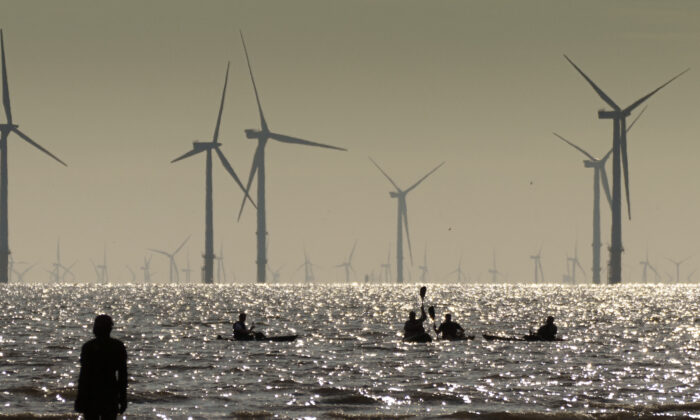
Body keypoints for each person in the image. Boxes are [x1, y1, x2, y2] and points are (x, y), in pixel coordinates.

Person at [75, 314, 127, 420]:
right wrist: (123, 397)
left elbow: (84, 375)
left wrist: (80, 397)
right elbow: (122, 375)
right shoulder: (117, 346)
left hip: (91, 394)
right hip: (110, 393)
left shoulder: (88, 347)